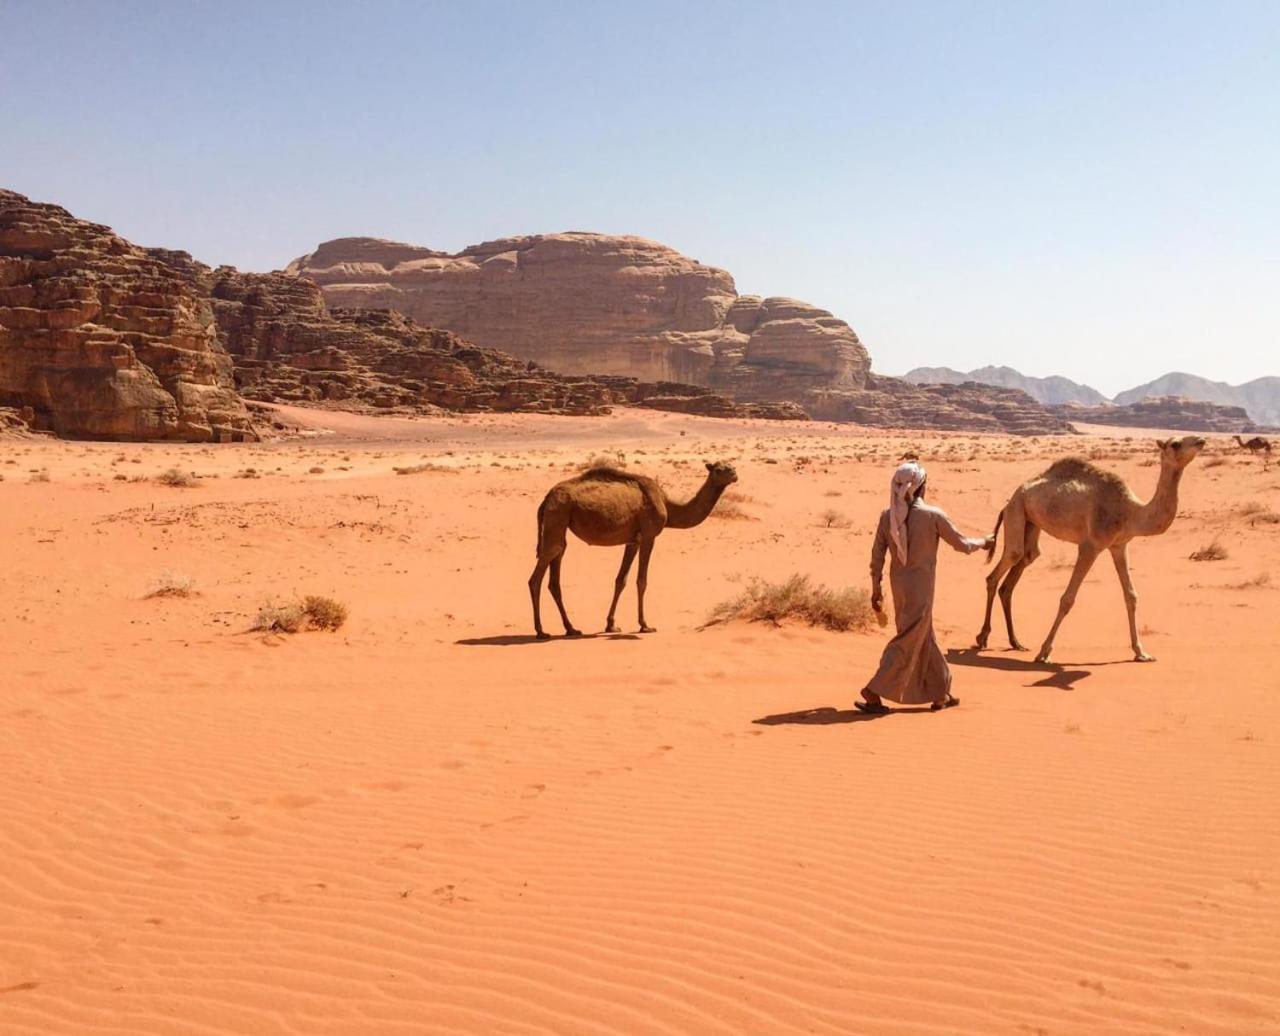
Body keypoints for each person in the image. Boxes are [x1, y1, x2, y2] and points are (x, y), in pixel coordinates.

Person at [856, 461, 993, 714]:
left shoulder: (888, 517)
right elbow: (962, 544)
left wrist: (876, 587)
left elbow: (877, 556)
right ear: (922, 487)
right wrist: (984, 542)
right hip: (921, 587)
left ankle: (941, 692)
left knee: (923, 636)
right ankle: (873, 690)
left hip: (900, 587)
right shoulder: (932, 516)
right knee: (909, 638)